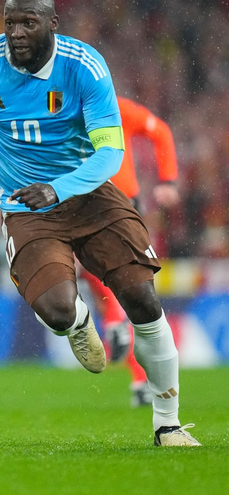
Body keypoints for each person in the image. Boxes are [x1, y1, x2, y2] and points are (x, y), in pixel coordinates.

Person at [0, 0, 200, 447]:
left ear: (52, 25)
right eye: (9, 23)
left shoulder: (84, 67)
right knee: (59, 311)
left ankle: (168, 424)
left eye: (28, 23)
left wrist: (59, 186)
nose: (16, 33)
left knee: (143, 300)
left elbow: (109, 154)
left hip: (89, 195)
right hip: (25, 205)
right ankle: (79, 325)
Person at [80, 95, 180, 407]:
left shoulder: (118, 107)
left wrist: (169, 179)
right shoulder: (63, 107)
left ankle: (114, 321)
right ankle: (140, 382)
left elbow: (159, 131)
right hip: (84, 203)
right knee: (122, 293)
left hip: (118, 203)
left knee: (120, 287)